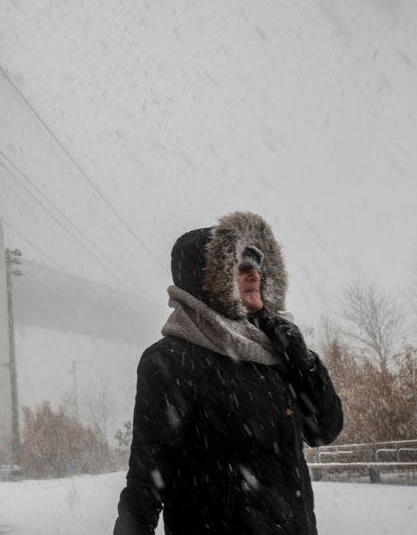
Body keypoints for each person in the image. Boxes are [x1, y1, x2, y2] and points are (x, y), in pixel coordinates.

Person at [113, 211, 343, 534]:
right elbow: (145, 485)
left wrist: (300, 358)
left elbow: (324, 428)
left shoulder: (275, 351)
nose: (255, 275)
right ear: (207, 279)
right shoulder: (171, 361)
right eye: (240, 266)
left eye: (258, 265)